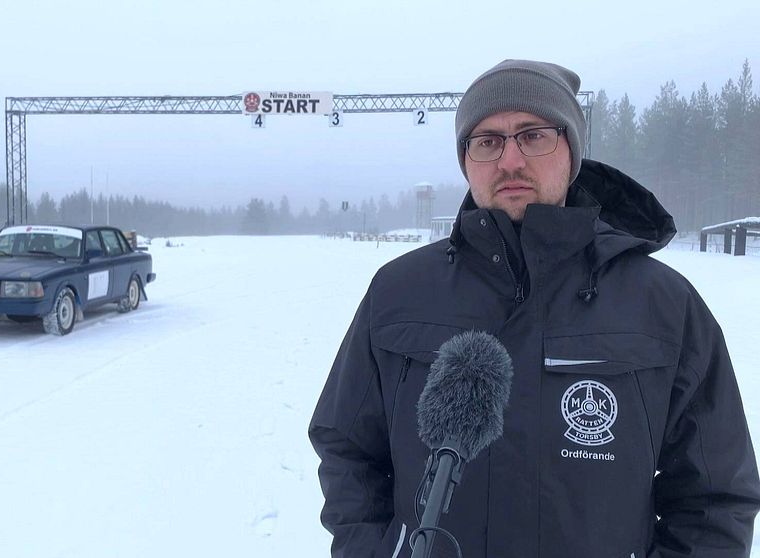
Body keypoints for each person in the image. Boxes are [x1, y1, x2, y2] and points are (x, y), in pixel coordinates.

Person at [308, 59, 760, 558]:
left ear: (572, 151)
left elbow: (714, 497)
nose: (510, 161)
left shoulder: (664, 304)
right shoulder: (397, 292)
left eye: (533, 135)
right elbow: (347, 450)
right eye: (487, 141)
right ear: (466, 161)